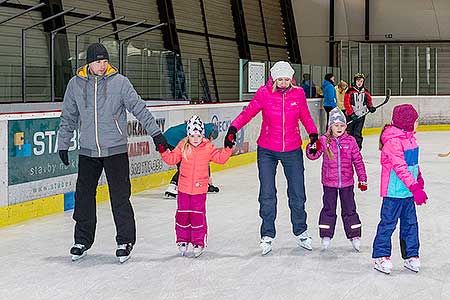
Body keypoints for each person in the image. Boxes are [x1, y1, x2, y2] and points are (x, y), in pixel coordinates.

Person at [57, 43, 169, 263]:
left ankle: (125, 241)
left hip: (115, 149)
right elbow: (68, 116)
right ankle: (82, 240)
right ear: (89, 62)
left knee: (120, 197)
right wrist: (63, 143)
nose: (102, 65)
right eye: (98, 61)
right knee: (83, 197)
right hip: (88, 151)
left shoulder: (120, 83)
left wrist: (156, 134)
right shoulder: (75, 85)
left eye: (105, 61)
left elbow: (139, 108)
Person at [224, 61, 319, 256]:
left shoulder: (298, 93)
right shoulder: (263, 93)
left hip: (292, 149)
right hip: (267, 149)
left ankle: (301, 231)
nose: (284, 83)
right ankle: (267, 234)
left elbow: (306, 116)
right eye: (280, 79)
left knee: (297, 193)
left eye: (286, 79)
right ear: (274, 79)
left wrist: (313, 134)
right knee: (267, 193)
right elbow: (248, 113)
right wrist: (233, 128)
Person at [159, 115, 233, 257]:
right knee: (182, 215)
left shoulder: (208, 147)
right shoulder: (182, 145)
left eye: (198, 135)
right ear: (188, 135)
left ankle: (198, 242)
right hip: (184, 189)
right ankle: (182, 240)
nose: (195, 138)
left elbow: (220, 159)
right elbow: (171, 159)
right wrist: (163, 150)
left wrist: (228, 148)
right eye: (192, 135)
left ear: (202, 135)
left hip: (199, 190)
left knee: (197, 216)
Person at [372, 104, 428, 274]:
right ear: (408, 122)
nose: (418, 123)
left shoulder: (411, 138)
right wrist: (414, 187)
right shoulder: (393, 142)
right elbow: (400, 167)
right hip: (393, 192)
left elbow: (412, 164)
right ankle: (381, 256)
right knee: (388, 224)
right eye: (416, 121)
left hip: (407, 193)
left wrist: (418, 178)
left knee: (410, 224)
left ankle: (411, 256)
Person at [306, 108, 367, 251]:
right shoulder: (323, 140)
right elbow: (312, 155)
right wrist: (313, 142)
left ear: (346, 126)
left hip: (347, 183)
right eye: (336, 125)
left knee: (350, 209)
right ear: (330, 126)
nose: (339, 128)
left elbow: (358, 161)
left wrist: (362, 178)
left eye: (342, 125)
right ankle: (326, 235)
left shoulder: (351, 141)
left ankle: (354, 235)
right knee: (328, 209)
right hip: (329, 183)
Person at [163, 121, 220, 199]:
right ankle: (171, 188)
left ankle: (173, 187)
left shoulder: (199, 128)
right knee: (185, 167)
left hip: (168, 137)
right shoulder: (200, 134)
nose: (211, 140)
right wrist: (208, 182)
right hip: (172, 139)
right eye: (211, 138)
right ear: (210, 134)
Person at [344, 73, 376, 150]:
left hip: (361, 115)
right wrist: (351, 114)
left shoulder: (365, 91)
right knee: (349, 132)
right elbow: (346, 103)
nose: (359, 83)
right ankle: (348, 148)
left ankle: (357, 149)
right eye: (358, 81)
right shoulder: (349, 91)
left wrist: (370, 107)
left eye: (361, 81)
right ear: (355, 81)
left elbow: (368, 101)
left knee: (357, 133)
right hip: (351, 116)